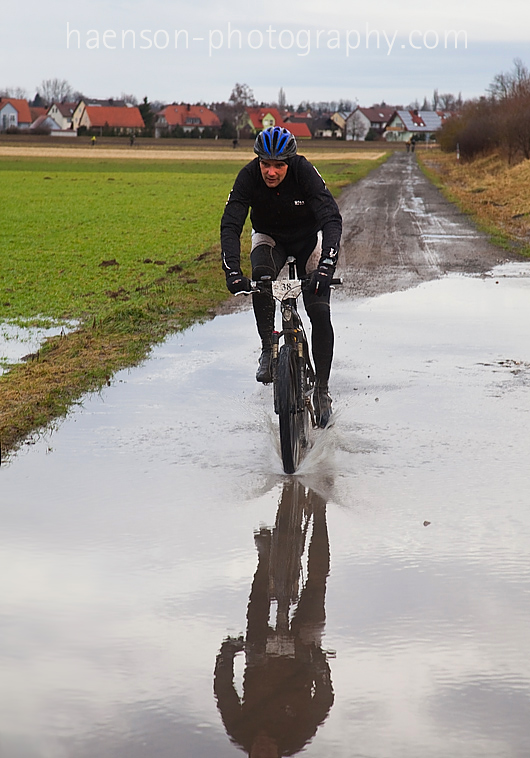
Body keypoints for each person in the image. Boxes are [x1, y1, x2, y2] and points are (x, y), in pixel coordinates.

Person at [220, 126, 342, 427]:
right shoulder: (248, 176)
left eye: (278, 165)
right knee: (261, 278)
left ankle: (322, 389)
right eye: (265, 164)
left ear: (290, 162)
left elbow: (331, 218)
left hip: (306, 240)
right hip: (270, 238)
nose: (271, 172)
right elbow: (231, 223)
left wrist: (326, 266)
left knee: (319, 311)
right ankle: (268, 347)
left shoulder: (304, 171)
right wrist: (232, 270)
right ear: (258, 161)